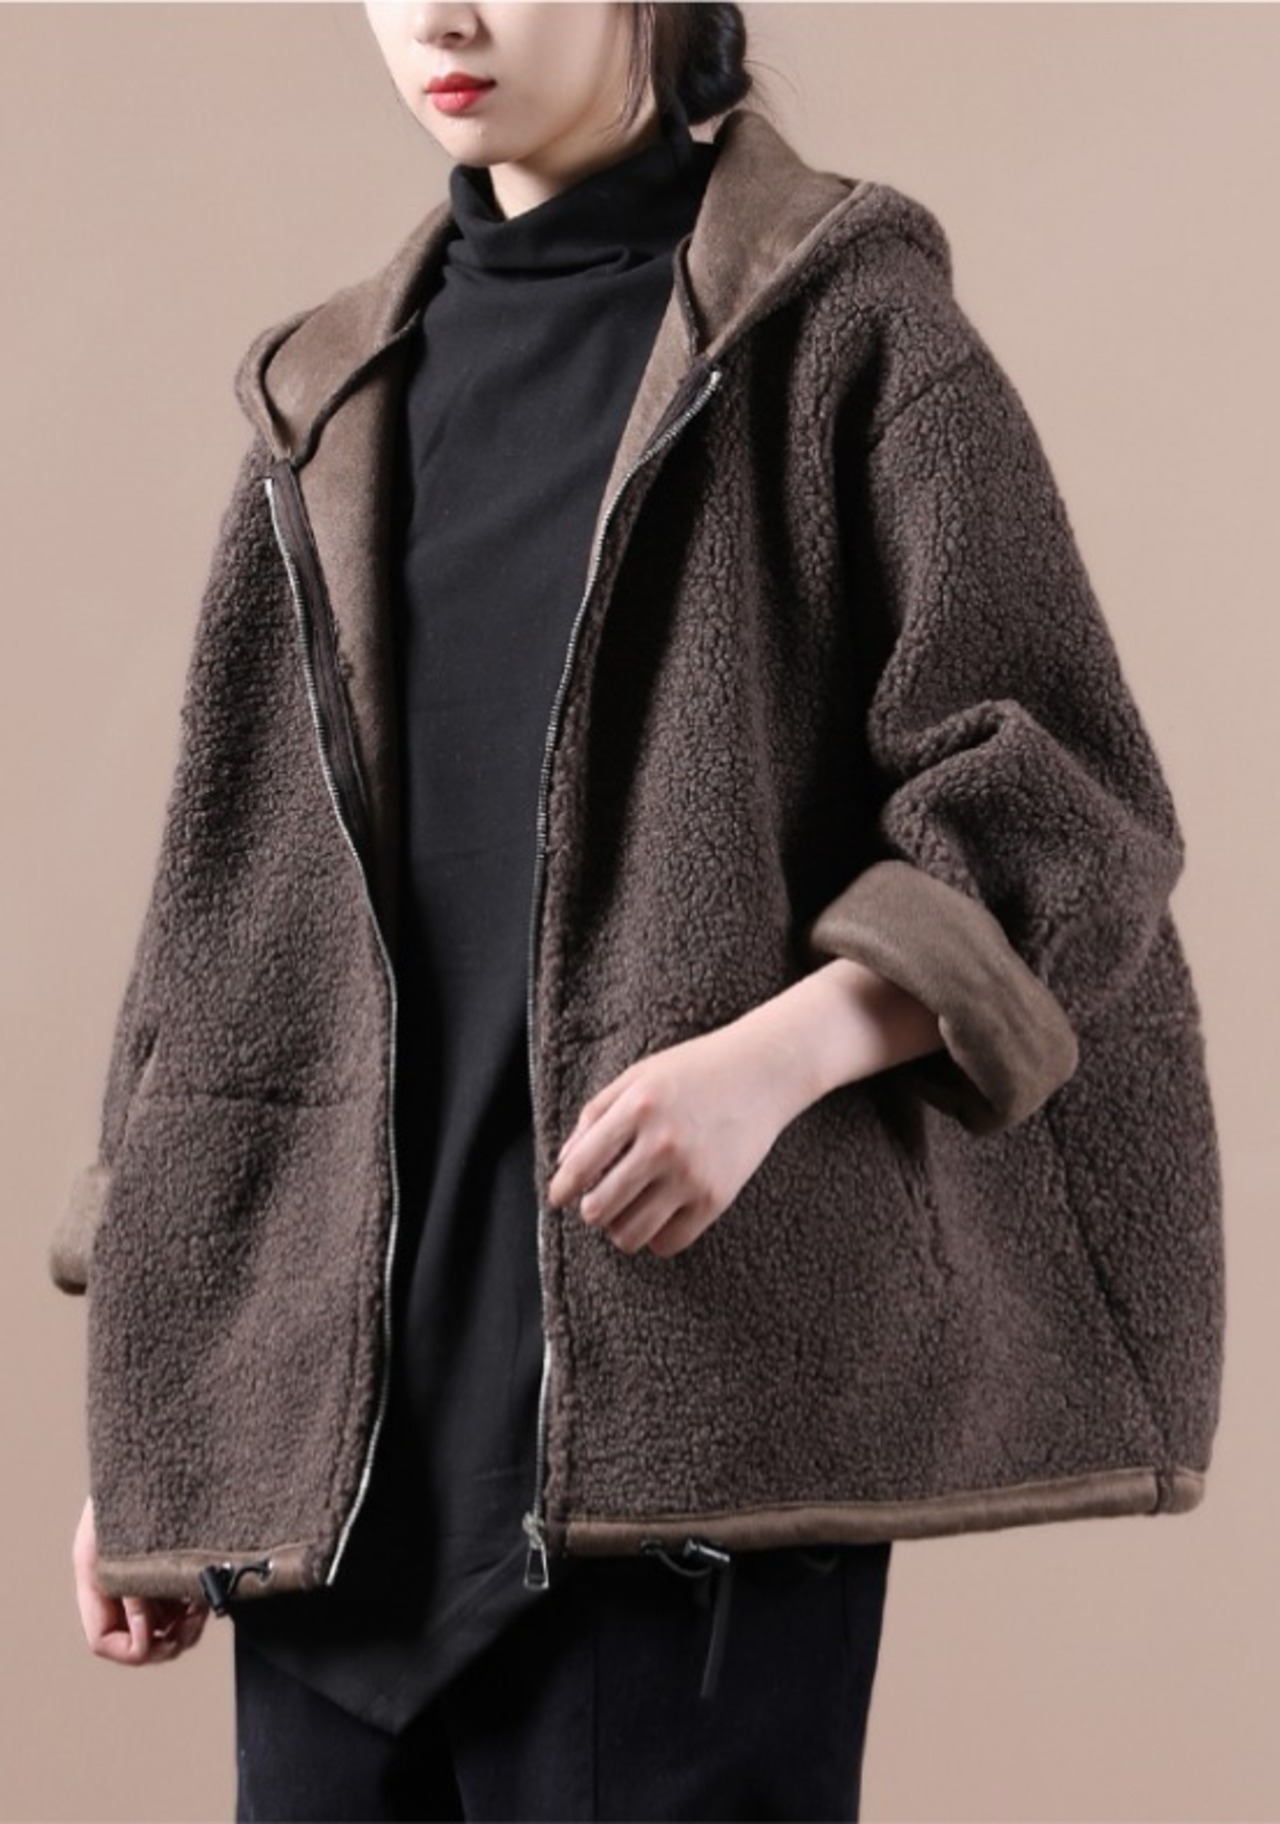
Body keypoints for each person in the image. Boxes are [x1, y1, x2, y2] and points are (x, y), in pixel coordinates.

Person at [53, 4, 1225, 1821]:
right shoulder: (323, 402)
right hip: (336, 1498)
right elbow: (219, 955)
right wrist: (173, 1428)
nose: (443, 14)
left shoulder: (841, 332)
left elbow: (1061, 798)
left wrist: (771, 1063)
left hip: (686, 1474)